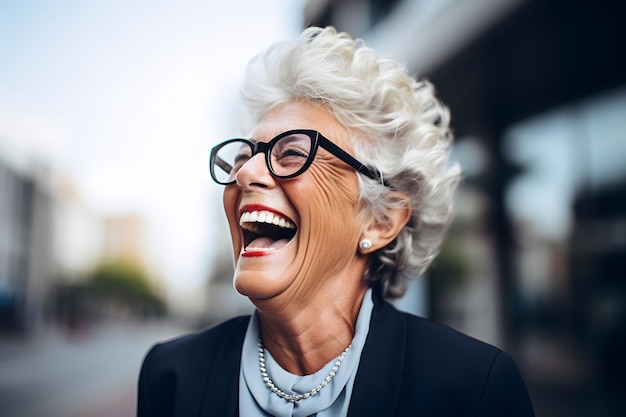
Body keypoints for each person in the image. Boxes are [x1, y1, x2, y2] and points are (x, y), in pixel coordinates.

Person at [137, 26, 535, 417]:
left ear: (380, 222)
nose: (245, 173)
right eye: (244, 156)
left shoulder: (472, 389)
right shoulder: (170, 377)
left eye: (291, 152)